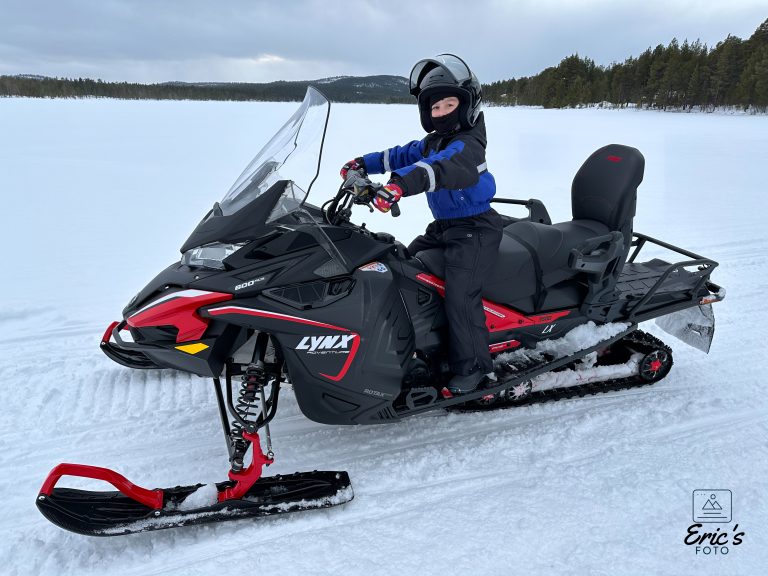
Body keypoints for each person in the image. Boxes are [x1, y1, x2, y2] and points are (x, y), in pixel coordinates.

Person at [340, 54, 503, 394]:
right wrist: (361, 164)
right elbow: (399, 155)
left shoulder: (468, 146)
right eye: (435, 107)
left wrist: (399, 186)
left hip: (475, 230)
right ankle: (419, 342)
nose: (441, 112)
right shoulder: (432, 142)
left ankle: (474, 367)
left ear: (467, 105)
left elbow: (438, 169)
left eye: (449, 104)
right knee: (403, 271)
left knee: (461, 295)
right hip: (445, 227)